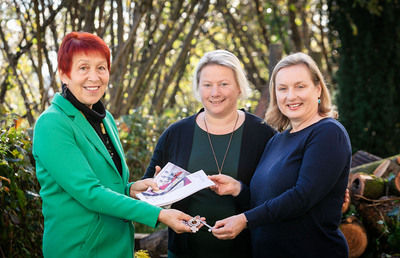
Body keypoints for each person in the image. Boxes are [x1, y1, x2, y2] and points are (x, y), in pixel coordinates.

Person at [32, 31, 194, 258]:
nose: (95, 77)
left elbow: (108, 183)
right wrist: (158, 215)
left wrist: (132, 189)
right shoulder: (52, 124)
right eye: (83, 68)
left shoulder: (105, 119)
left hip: (117, 247)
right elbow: (89, 192)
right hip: (79, 250)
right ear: (64, 74)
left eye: (101, 67)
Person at [209, 52, 352, 257]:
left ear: (318, 88)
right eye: (282, 89)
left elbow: (302, 197)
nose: (290, 96)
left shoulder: (328, 132)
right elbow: (264, 201)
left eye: (299, 86)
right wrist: (237, 189)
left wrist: (244, 220)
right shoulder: (277, 140)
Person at [142, 50, 277, 257]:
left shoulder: (263, 134)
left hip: (247, 252)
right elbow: (146, 196)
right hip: (183, 252)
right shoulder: (175, 134)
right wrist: (161, 194)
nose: (215, 93)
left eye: (224, 84)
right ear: (198, 89)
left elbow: (277, 200)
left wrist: (240, 190)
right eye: (207, 85)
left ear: (239, 87)